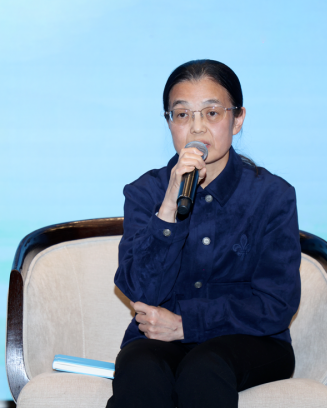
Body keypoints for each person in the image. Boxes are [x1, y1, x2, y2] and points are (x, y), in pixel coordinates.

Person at [106, 59, 301, 408]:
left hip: (252, 341)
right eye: (182, 115)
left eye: (211, 113)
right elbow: (140, 291)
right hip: (160, 341)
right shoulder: (145, 193)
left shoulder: (272, 196)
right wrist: (169, 206)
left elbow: (277, 303)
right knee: (139, 367)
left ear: (237, 119)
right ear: (169, 122)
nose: (196, 128)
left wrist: (188, 324)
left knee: (204, 369)